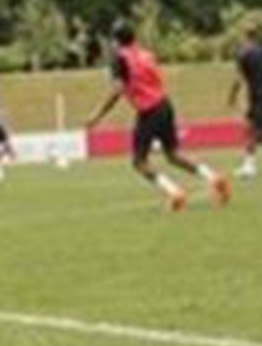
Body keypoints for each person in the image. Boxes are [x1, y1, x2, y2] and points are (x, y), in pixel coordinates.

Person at [86, 24, 231, 211]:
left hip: (148, 110)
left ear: (116, 41)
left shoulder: (120, 58)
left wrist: (97, 115)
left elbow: (118, 90)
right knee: (173, 154)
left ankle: (174, 192)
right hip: (164, 103)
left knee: (139, 162)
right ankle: (214, 178)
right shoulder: (146, 54)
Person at [229, 23, 261, 180]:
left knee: (251, 131)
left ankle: (248, 168)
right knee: (253, 131)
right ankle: (248, 165)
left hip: (258, 97)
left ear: (244, 35)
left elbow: (238, 79)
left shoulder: (243, 54)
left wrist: (232, 97)